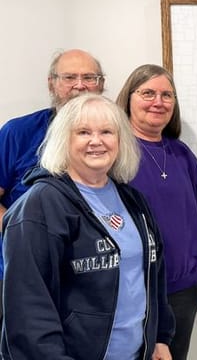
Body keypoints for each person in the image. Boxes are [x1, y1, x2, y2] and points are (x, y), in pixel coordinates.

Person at [1, 94, 174, 360]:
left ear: (120, 141)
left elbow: (153, 273)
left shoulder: (133, 200)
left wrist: (160, 338)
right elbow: (27, 309)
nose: (97, 141)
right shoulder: (41, 206)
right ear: (64, 140)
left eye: (107, 131)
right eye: (83, 132)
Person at [116, 64, 197, 360]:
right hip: (132, 293)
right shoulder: (114, 154)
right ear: (128, 98)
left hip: (182, 291)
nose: (158, 101)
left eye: (167, 95)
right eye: (148, 93)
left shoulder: (181, 155)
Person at [0, 48, 105, 315]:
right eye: (69, 77)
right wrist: (24, 232)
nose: (79, 85)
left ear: (101, 84)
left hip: (92, 280)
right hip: (22, 274)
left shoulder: (112, 139)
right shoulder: (18, 132)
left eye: (89, 77)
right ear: (52, 83)